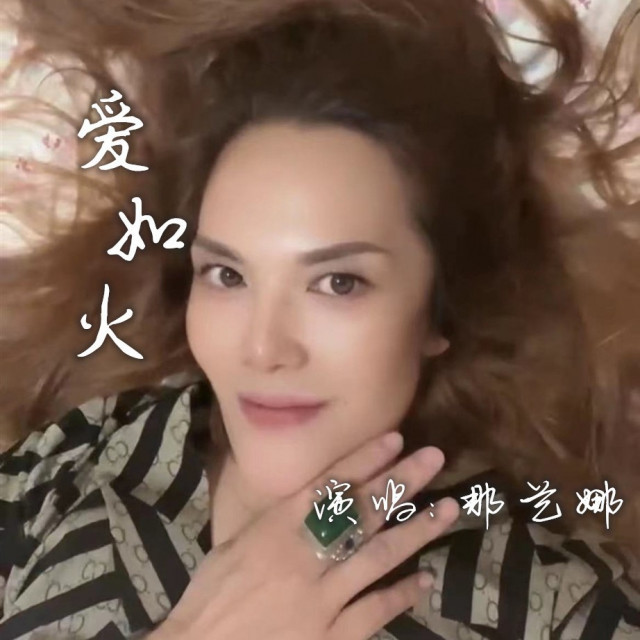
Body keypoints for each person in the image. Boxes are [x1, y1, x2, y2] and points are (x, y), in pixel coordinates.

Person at [1, 0, 640, 638]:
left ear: (438, 309)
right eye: (227, 275)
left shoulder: (561, 608)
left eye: (338, 283)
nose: (263, 349)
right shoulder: (78, 460)